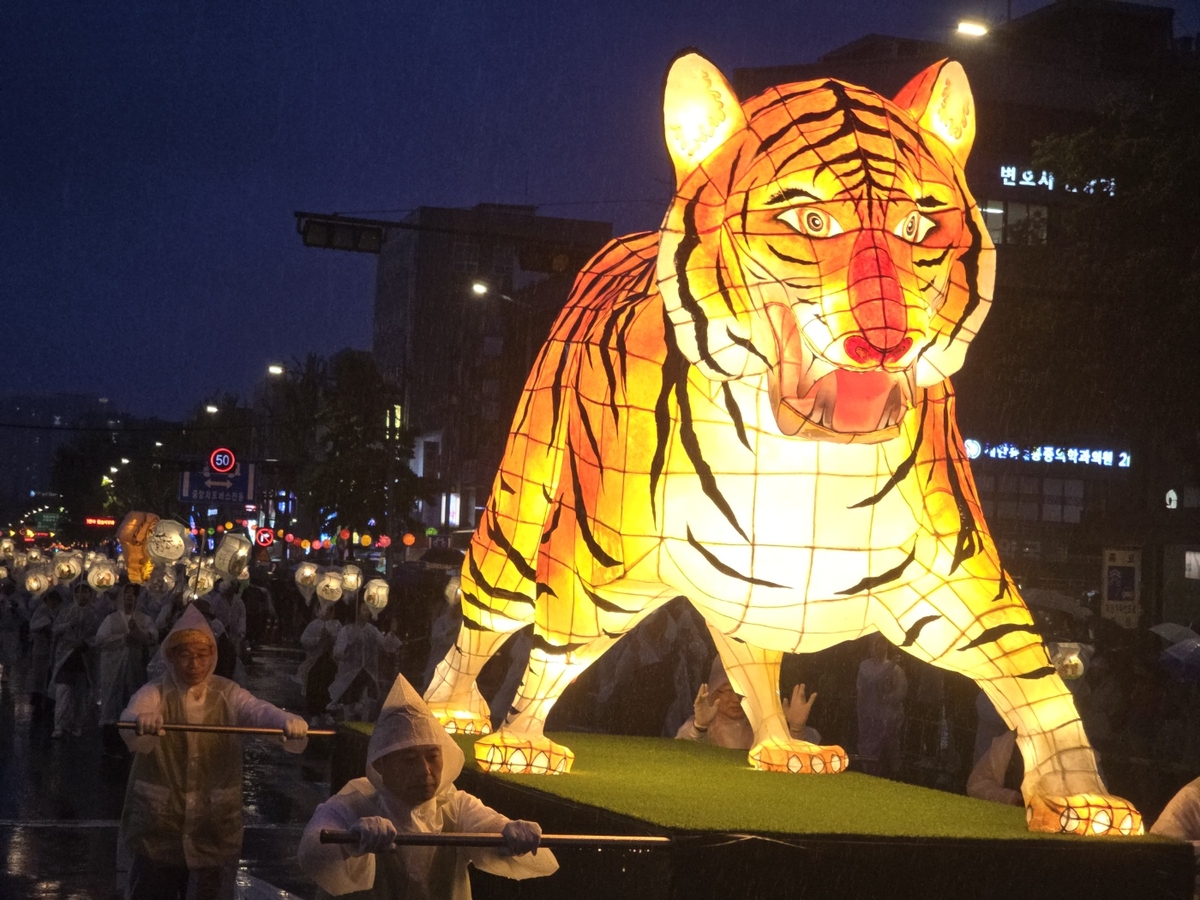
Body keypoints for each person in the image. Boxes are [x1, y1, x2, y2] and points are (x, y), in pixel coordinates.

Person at [298, 674, 557, 899]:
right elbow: (313, 846)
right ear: (381, 766)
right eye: (409, 760)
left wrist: (510, 832)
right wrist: (352, 840)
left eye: (433, 756)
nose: (425, 771)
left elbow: (487, 824)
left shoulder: (456, 806)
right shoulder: (352, 803)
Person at [120, 604, 308, 900]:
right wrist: (140, 722)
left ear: (213, 656)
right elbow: (132, 716)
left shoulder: (228, 693)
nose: (194, 664)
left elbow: (257, 711)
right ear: (171, 656)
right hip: (160, 826)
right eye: (185, 655)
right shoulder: (155, 692)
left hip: (213, 826)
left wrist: (284, 721)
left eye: (202, 655)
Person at [676, 656, 820, 747]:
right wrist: (699, 727)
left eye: (742, 693)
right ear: (712, 691)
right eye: (727, 691)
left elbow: (796, 760)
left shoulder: (764, 724)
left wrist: (796, 729)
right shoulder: (702, 726)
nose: (735, 700)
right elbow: (680, 753)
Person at [95, 583, 158, 750]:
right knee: (112, 702)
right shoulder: (111, 619)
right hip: (113, 668)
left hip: (136, 667)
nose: (130, 597)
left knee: (132, 700)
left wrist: (138, 632)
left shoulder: (144, 619)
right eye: (127, 593)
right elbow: (100, 640)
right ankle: (110, 744)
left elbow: (152, 637)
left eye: (134, 594)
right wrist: (123, 638)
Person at [329, 602, 401, 721]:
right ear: (357, 611)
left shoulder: (372, 630)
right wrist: (348, 649)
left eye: (368, 610)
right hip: (351, 673)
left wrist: (392, 633)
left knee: (366, 702)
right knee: (349, 704)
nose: (367, 613)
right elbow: (338, 652)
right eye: (364, 610)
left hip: (368, 672)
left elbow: (384, 645)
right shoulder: (347, 630)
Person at [51, 581, 102, 738]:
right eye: (79, 592)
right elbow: (56, 629)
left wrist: (86, 643)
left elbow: (98, 637)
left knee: (80, 696)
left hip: (83, 660)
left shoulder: (95, 615)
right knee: (63, 693)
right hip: (66, 658)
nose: (82, 595)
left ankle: (76, 725)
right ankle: (59, 725)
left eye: (86, 592)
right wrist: (68, 625)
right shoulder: (67, 612)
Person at [856, 633, 907, 777]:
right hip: (868, 720)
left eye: (883, 643)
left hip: (889, 721)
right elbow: (871, 682)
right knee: (869, 753)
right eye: (877, 643)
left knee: (890, 754)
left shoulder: (896, 670)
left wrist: (888, 699)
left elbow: (902, 692)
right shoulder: (865, 666)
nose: (880, 647)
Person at [298, 602, 341, 718]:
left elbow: (341, 642)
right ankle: (314, 713)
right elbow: (304, 641)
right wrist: (319, 639)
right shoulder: (314, 625)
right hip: (315, 661)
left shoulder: (336, 625)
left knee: (329, 686)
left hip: (330, 661)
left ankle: (326, 711)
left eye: (332, 610)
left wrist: (333, 640)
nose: (329, 613)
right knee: (315, 686)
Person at [28, 586, 65, 716]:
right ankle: (37, 702)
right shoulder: (41, 611)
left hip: (55, 650)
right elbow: (33, 626)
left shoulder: (62, 612)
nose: (53, 603)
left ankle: (50, 703)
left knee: (52, 676)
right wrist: (45, 625)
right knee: (39, 676)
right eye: (51, 600)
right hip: (41, 650)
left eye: (56, 600)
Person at [0, 579, 26, 685]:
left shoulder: (18, 600)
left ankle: (7, 673)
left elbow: (24, 615)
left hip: (11, 631)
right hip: (1, 629)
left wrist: (16, 609)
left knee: (9, 653)